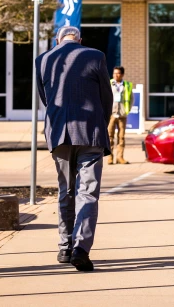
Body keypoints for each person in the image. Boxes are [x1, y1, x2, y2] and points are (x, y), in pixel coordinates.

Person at [35, 25, 112, 272]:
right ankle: (81, 249)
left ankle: (64, 247)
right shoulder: (96, 56)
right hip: (91, 133)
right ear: (80, 40)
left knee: (65, 191)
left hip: (58, 133)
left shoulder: (43, 60)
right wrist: (102, 122)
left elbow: (45, 98)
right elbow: (105, 97)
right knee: (88, 193)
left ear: (58, 39)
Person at [107, 66, 134, 165]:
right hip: (112, 114)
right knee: (110, 136)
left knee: (121, 137)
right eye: (114, 73)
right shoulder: (109, 83)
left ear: (122, 74)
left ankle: (120, 157)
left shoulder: (127, 85)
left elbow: (131, 99)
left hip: (122, 115)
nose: (115, 75)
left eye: (117, 73)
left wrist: (127, 110)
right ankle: (110, 157)